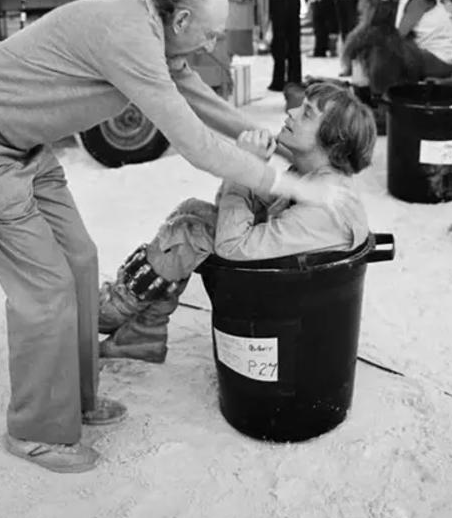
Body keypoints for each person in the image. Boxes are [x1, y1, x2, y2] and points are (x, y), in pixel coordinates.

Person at [0, 0, 331, 473]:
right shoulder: (128, 36)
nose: (214, 44)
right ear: (181, 19)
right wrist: (291, 185)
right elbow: (195, 143)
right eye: (212, 33)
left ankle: (78, 397)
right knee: (45, 291)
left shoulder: (158, 36)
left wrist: (279, 145)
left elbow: (201, 99)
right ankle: (35, 432)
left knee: (81, 262)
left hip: (26, 143)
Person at [98, 81, 376, 362]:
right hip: (288, 287)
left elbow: (232, 245)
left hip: (292, 311)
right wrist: (249, 168)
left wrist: (243, 167)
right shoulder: (312, 177)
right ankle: (143, 332)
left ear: (333, 140)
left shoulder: (324, 206)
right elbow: (231, 214)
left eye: (307, 113)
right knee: (193, 211)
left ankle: (123, 307)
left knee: (190, 232)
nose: (291, 112)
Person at [344, 0, 452, 95]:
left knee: (386, 54)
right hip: (425, 52)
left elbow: (399, 35)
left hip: (440, 60)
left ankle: (386, 96)